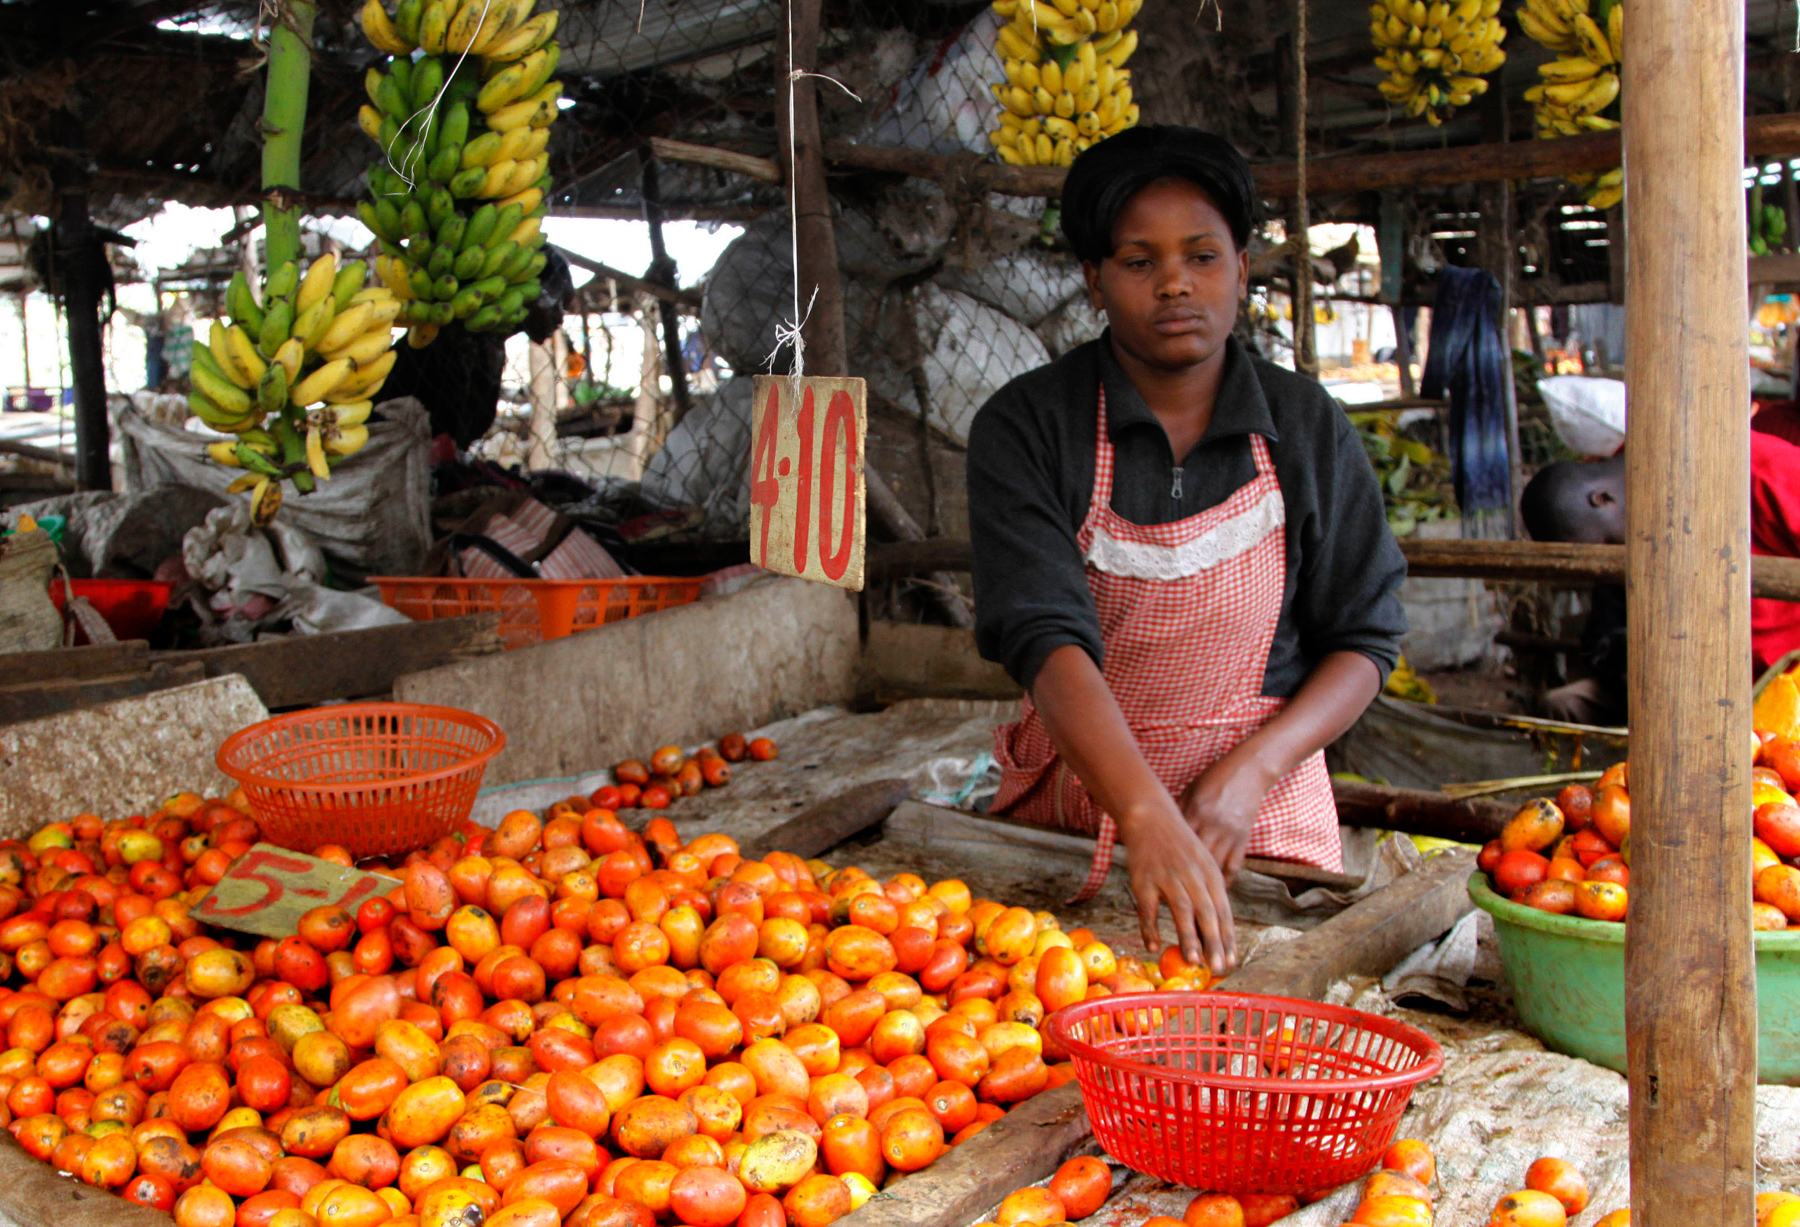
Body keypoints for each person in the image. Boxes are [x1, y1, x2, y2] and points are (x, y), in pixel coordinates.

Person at [965, 126, 1408, 975]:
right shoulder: (1029, 425)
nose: (1175, 282)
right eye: (1139, 262)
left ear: (1241, 268)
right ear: (1094, 281)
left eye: (1202, 255)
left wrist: (1250, 775)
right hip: (1081, 802)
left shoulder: (1305, 426)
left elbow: (1365, 639)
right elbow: (1042, 634)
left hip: (1262, 813)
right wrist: (1142, 812)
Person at [1522, 431, 1800, 718]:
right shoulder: (1631, 498)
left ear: (1603, 499)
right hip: (1679, 680)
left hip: (1776, 681)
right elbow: (1610, 612)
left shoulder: (1763, 471)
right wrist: (1620, 644)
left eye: (1606, 545)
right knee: (1563, 705)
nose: (1613, 560)